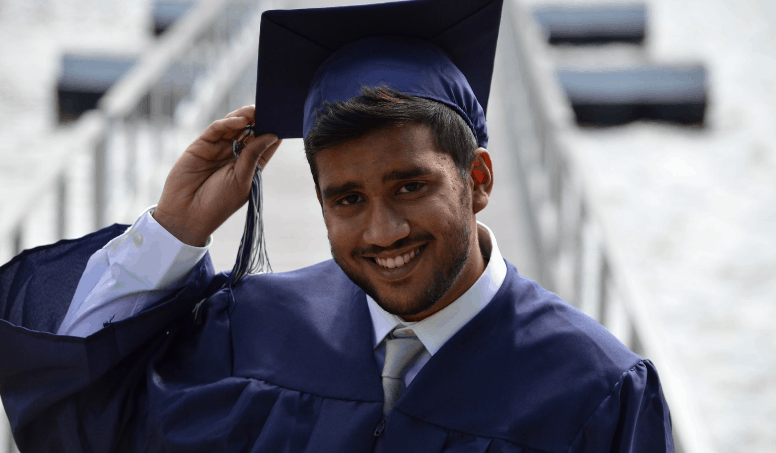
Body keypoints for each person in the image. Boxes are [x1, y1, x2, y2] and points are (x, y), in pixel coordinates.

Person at [0, 0, 674, 452]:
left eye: (410, 186)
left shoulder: (599, 388)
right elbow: (77, 412)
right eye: (346, 199)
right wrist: (175, 230)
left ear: (478, 181)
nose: (382, 231)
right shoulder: (250, 331)